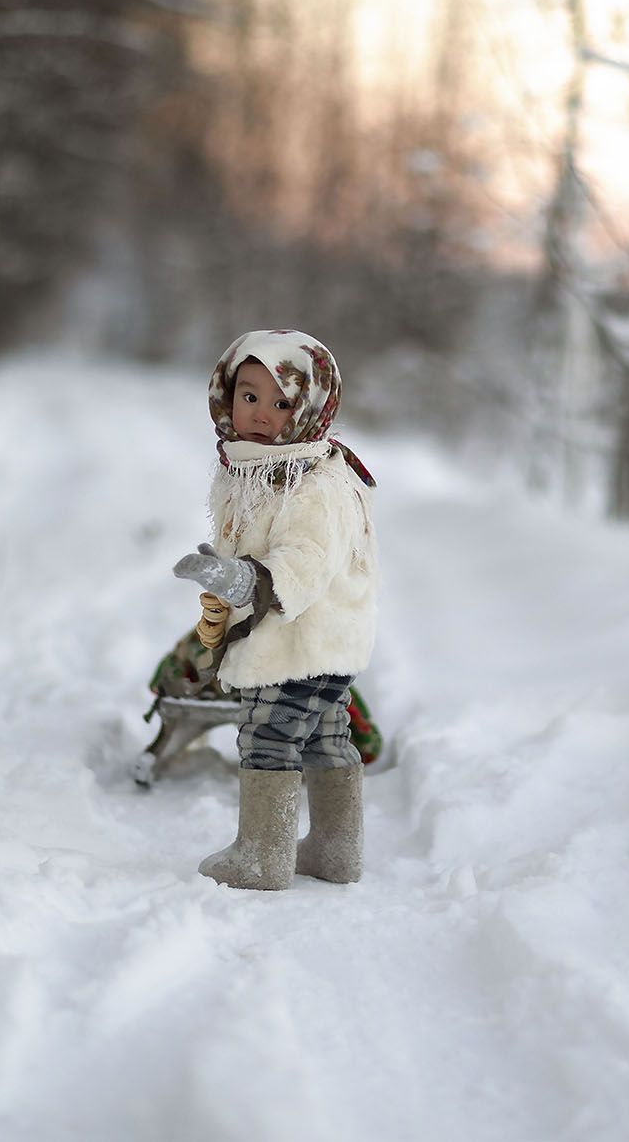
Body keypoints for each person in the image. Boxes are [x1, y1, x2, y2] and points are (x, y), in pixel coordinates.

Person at [172, 329, 378, 890]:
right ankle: (336, 852)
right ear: (225, 394)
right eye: (249, 395)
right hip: (322, 643)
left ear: (310, 406)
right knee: (324, 735)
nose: (262, 414)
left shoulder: (313, 482)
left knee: (269, 736)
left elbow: (301, 563)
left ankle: (262, 855)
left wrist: (240, 580)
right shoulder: (261, 465)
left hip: (300, 640)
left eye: (283, 402)